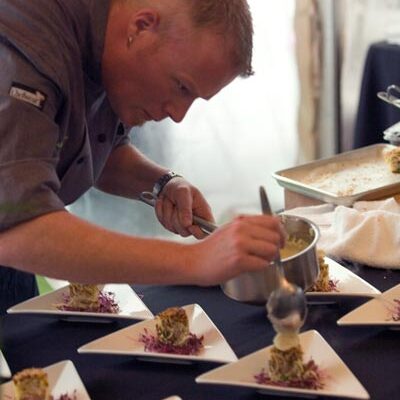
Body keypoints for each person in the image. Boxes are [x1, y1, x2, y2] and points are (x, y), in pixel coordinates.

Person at [0, 0, 285, 314]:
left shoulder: (106, 36)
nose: (178, 115)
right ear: (141, 27)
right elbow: (18, 228)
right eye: (181, 87)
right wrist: (195, 260)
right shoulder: (25, 43)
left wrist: (161, 182)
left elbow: (78, 145)